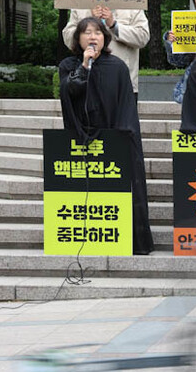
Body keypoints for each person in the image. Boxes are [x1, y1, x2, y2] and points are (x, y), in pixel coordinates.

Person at [58, 17, 154, 256]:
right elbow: (70, 92)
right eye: (87, 33)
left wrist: (120, 136)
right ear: (77, 39)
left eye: (98, 33)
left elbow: (125, 105)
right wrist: (84, 66)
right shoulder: (69, 66)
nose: (92, 37)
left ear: (105, 37)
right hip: (82, 136)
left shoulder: (118, 67)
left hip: (114, 135)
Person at [62, 0, 150, 98]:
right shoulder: (80, 8)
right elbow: (68, 39)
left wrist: (113, 24)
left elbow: (143, 37)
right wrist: (89, 21)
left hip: (122, 83)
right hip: (87, 80)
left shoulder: (132, 7)